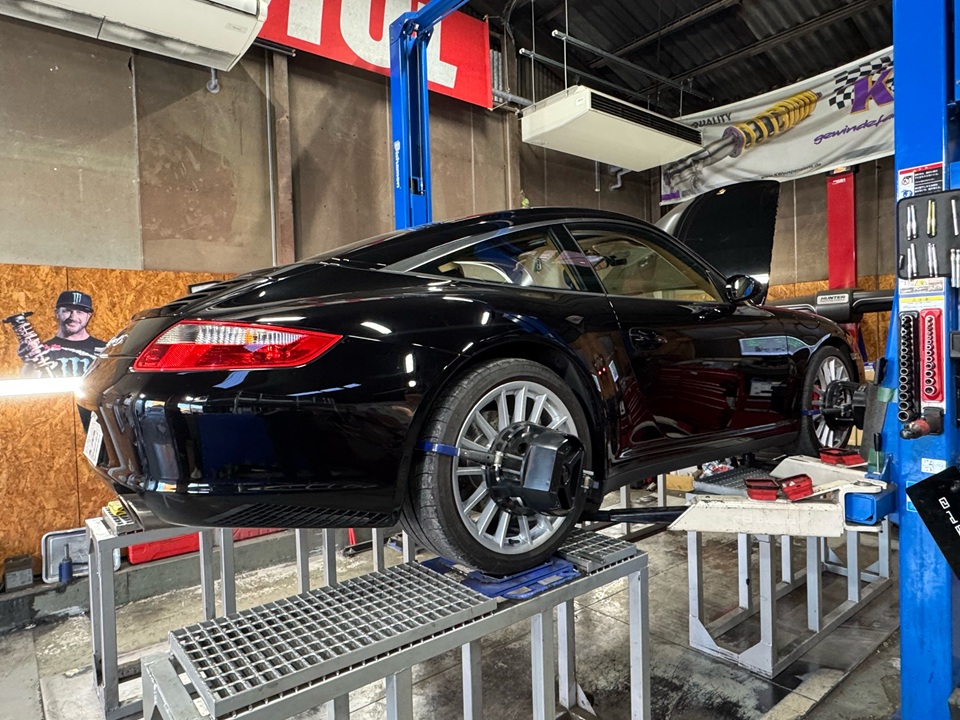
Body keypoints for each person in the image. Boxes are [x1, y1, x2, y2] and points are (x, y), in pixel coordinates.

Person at [19, 290, 105, 379]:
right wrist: (30, 362)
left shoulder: (105, 350)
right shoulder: (42, 352)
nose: (73, 317)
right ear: (57, 314)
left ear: (88, 316)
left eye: (80, 312)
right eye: (67, 311)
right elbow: (30, 383)